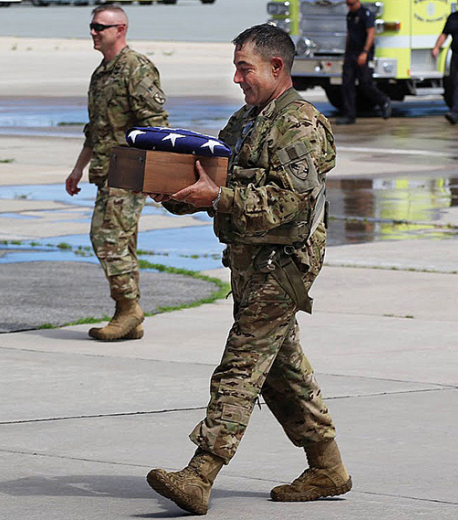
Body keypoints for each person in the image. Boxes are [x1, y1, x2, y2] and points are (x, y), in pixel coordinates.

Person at [145, 24, 351, 515]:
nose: (237, 78)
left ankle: (201, 473)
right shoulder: (244, 122)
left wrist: (218, 197)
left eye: (245, 68)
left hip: (283, 266)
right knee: (281, 370)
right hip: (248, 262)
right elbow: (216, 184)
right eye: (236, 68)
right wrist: (174, 195)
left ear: (276, 67)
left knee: (241, 364)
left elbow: (289, 203)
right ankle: (327, 468)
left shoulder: (300, 125)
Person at [65, 5, 169, 341]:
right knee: (122, 242)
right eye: (92, 26)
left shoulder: (136, 68)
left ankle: (128, 308)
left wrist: (155, 175)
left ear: (120, 29)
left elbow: (156, 125)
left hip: (129, 171)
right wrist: (78, 168)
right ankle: (128, 318)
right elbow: (95, 128)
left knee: (106, 238)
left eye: (100, 27)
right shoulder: (102, 73)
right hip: (105, 170)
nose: (93, 32)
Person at [337, 0, 394, 125]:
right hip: (351, 53)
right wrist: (346, 53)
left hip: (363, 53)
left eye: (351, 4)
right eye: (348, 5)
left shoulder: (366, 14)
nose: (350, 7)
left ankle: (384, 101)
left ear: (358, 2)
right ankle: (349, 114)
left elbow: (371, 34)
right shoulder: (350, 15)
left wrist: (365, 52)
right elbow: (349, 34)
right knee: (347, 84)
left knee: (366, 83)